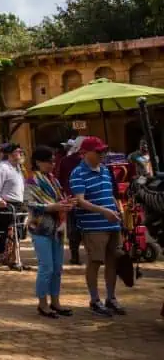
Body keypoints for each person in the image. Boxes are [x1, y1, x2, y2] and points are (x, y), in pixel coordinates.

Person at [69, 136, 126, 317]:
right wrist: (103, 211)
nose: (103, 154)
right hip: (93, 226)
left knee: (113, 261)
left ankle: (111, 298)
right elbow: (80, 201)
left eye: (104, 151)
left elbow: (110, 194)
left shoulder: (106, 170)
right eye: (99, 151)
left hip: (112, 223)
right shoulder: (78, 173)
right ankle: (95, 300)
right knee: (95, 261)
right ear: (86, 153)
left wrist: (118, 210)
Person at [25, 145, 75, 319]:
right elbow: (29, 203)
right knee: (46, 267)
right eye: (48, 161)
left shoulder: (54, 180)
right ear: (38, 162)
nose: (52, 164)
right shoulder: (32, 180)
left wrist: (67, 203)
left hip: (57, 228)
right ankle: (42, 304)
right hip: (40, 228)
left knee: (57, 268)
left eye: (53, 161)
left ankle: (55, 301)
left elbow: (59, 198)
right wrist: (52, 207)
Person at [0, 143, 26, 267]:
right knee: (4, 234)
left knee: (17, 234)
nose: (21, 154)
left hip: (18, 205)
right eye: (18, 151)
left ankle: (14, 260)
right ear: (10, 154)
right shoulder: (2, 168)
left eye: (21, 151)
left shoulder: (18, 168)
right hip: (5, 206)